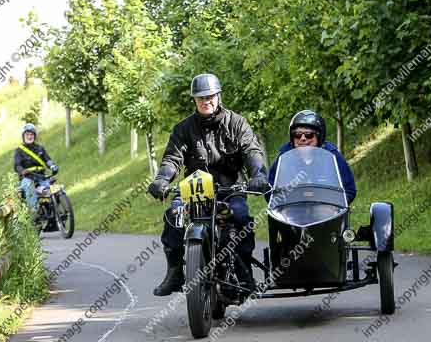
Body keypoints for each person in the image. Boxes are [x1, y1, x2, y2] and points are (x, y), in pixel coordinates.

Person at [146, 73, 270, 296]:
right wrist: (162, 179)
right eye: (201, 97)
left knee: (240, 217)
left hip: (230, 189)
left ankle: (244, 274)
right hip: (195, 189)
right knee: (174, 215)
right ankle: (175, 272)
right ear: (194, 100)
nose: (206, 101)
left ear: (218, 96)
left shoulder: (237, 123)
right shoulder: (183, 129)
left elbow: (251, 151)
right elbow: (172, 159)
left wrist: (258, 174)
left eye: (210, 96)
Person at [268, 110, 356, 203]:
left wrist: (332, 207)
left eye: (308, 135)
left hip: (326, 211)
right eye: (297, 135)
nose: (303, 138)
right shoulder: (284, 155)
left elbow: (349, 190)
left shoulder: (332, 155)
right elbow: (270, 190)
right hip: (292, 211)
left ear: (319, 137)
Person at [14, 123, 59, 212]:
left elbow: (47, 160)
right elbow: (17, 165)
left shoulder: (40, 148)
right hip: (27, 178)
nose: (29, 137)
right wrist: (22, 171)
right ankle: (35, 211)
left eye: (31, 134)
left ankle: (56, 211)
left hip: (41, 177)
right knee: (28, 184)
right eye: (27, 134)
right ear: (23, 136)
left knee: (55, 188)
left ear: (34, 136)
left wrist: (52, 166)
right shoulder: (19, 150)